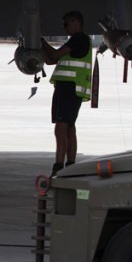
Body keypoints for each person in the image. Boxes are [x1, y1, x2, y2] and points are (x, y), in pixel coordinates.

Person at [41, 11, 92, 176]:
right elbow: (50, 60)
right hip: (69, 88)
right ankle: (70, 166)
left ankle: (58, 167)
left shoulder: (79, 39)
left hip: (70, 88)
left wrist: (40, 40)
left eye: (66, 23)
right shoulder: (76, 41)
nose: (64, 28)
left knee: (61, 129)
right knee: (69, 128)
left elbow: (54, 55)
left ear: (76, 22)